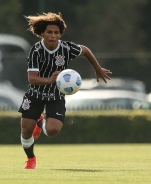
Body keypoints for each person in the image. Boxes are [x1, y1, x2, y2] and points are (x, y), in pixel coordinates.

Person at [18, 12, 112, 169]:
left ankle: (40, 123)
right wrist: (50, 80)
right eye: (49, 32)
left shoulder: (66, 48)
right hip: (35, 95)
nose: (53, 36)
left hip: (55, 95)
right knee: (26, 131)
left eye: (56, 32)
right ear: (42, 33)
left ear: (60, 34)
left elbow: (85, 50)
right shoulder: (36, 50)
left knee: (53, 130)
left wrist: (98, 68)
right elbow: (32, 78)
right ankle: (31, 158)